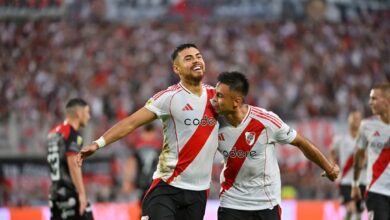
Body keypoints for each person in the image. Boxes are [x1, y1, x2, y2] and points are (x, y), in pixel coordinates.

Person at [77, 43, 219, 220]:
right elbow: (131, 123)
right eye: (188, 58)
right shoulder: (168, 97)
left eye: (198, 56)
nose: (196, 60)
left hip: (199, 193)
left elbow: (245, 121)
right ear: (177, 68)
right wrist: (98, 143)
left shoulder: (218, 99)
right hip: (167, 188)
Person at [213, 71, 339, 220]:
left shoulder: (266, 121)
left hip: (266, 203)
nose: (214, 100)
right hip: (231, 203)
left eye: (220, 96)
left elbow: (301, 142)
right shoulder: (213, 125)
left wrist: (328, 168)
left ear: (236, 101)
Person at [47, 98, 93, 220]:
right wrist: (82, 194)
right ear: (78, 113)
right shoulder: (72, 134)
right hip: (70, 195)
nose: (89, 116)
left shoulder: (53, 133)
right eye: (87, 112)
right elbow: (73, 163)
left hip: (55, 195)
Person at [351, 83, 390, 220]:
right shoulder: (366, 125)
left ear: (387, 101)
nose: (370, 103)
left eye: (374, 99)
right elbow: (359, 156)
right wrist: (355, 184)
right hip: (376, 190)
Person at [330, 111, 366, 220]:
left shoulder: (365, 139)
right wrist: (332, 167)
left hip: (362, 179)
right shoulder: (341, 139)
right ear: (349, 121)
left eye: (358, 119)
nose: (356, 121)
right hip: (346, 179)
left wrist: (363, 161)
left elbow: (368, 156)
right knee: (351, 208)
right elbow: (332, 152)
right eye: (354, 118)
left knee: (358, 212)